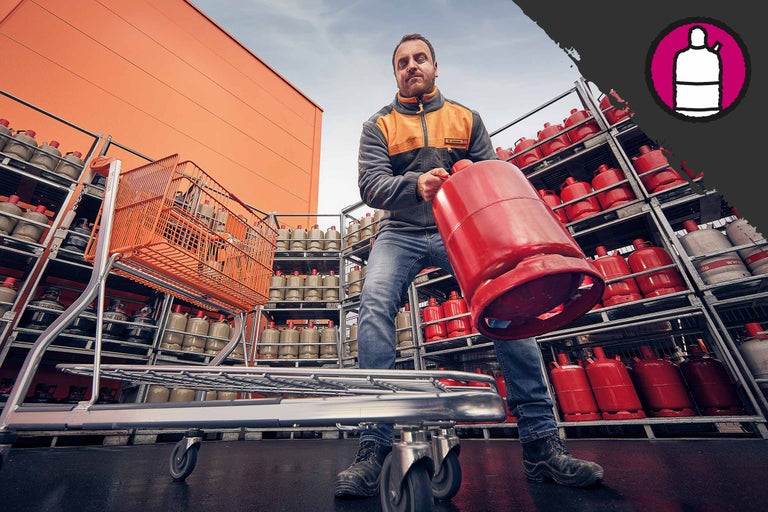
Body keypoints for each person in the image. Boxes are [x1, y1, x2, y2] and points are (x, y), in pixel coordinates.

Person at [334, 33, 604, 499]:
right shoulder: (377, 126)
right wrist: (416, 184)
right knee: (374, 306)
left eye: (420, 59)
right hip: (398, 231)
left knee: (511, 308)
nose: (412, 66)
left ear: (436, 67)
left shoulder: (465, 118)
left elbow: (492, 175)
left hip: (458, 230)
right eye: (403, 62)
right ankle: (374, 443)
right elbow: (372, 185)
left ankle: (541, 445)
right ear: (395, 73)